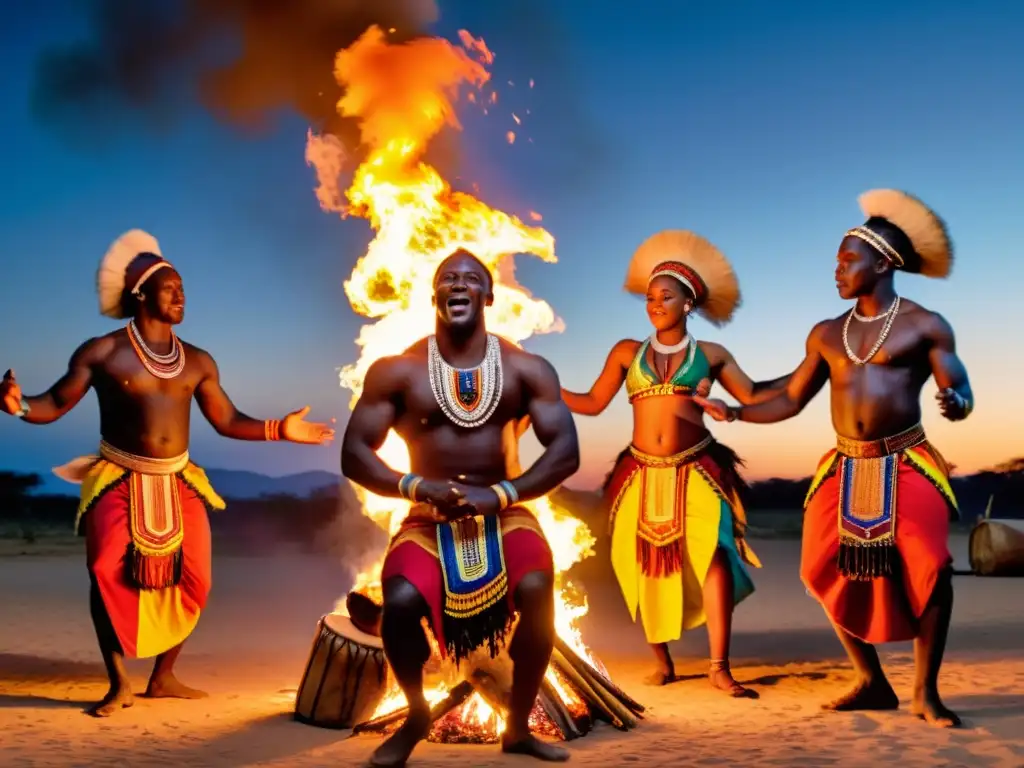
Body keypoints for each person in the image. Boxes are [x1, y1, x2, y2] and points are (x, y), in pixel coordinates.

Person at [0, 229, 335, 717]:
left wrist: (281, 428)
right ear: (141, 294)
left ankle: (163, 676)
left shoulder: (198, 361)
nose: (181, 294)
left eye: (183, 287)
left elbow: (226, 420)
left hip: (179, 480)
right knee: (103, 572)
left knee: (196, 578)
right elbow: (53, 403)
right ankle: (118, 683)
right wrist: (18, 405)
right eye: (170, 286)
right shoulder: (101, 352)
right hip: (117, 476)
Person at [694, 189, 971, 728]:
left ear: (883, 262)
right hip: (845, 466)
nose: (837, 270)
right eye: (836, 261)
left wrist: (957, 403)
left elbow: (958, 386)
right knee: (818, 567)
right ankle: (871, 680)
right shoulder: (827, 334)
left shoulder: (926, 324)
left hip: (907, 460)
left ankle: (925, 693)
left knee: (932, 565)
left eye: (848, 260)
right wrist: (732, 414)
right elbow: (790, 399)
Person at [341, 248, 579, 766]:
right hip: (428, 516)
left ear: (489, 297)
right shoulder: (397, 371)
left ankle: (516, 727)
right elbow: (354, 453)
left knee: (538, 587)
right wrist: (416, 487)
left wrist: (500, 494)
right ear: (434, 294)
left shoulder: (525, 367)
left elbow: (566, 451)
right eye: (449, 277)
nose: (459, 283)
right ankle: (417, 714)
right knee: (399, 601)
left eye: (471, 278)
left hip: (504, 510)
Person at [561, 230, 790, 695]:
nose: (656, 304)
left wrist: (814, 366)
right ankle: (663, 661)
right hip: (639, 473)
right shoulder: (628, 352)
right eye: (650, 297)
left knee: (715, 557)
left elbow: (754, 394)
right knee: (639, 564)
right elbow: (590, 402)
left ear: (689, 304)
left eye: (666, 296)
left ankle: (719, 667)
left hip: (698, 468)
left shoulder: (711, 355)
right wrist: (540, 385)